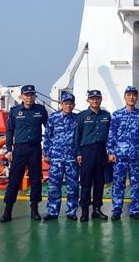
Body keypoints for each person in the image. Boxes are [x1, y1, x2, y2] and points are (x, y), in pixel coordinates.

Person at [0, 84, 49, 222]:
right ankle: (7, 211)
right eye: (27, 95)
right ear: (21, 96)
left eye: (32, 95)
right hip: (20, 150)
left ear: (34, 96)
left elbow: (49, 130)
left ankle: (34, 209)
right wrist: (9, 149)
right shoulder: (14, 111)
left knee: (35, 180)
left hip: (35, 149)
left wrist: (48, 148)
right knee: (14, 180)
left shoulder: (41, 110)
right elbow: (9, 131)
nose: (29, 97)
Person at [107, 86, 139, 220]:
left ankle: (134, 210)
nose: (131, 97)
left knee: (136, 184)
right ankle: (117, 209)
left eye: (134, 95)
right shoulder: (117, 115)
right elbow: (111, 135)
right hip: (120, 156)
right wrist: (111, 152)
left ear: (137, 97)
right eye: (129, 95)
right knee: (119, 183)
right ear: (124, 97)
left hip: (136, 156)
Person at [75, 89, 111, 221]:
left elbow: (110, 135)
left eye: (97, 98)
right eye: (92, 98)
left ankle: (97, 209)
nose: (95, 101)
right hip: (87, 152)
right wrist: (78, 152)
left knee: (99, 182)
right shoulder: (82, 116)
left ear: (101, 100)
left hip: (101, 151)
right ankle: (84, 211)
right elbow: (77, 136)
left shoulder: (106, 116)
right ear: (88, 100)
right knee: (85, 183)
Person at [43, 92, 79, 221]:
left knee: (73, 186)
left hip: (71, 158)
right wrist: (46, 153)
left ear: (74, 105)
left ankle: (71, 211)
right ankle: (53, 211)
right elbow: (47, 136)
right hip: (56, 157)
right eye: (66, 103)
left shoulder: (77, 119)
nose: (68, 106)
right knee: (54, 186)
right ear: (61, 104)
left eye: (70, 104)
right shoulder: (53, 118)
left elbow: (79, 138)